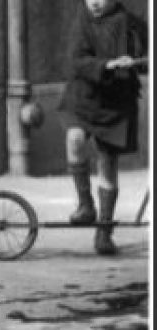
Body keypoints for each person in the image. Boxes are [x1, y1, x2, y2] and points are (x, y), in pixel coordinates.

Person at [57, 0, 147, 255]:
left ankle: (104, 231)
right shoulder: (82, 19)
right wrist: (106, 65)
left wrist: (137, 62)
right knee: (74, 139)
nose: (94, 3)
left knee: (108, 164)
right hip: (84, 96)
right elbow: (76, 60)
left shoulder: (130, 23)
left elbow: (146, 56)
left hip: (116, 103)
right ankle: (86, 206)